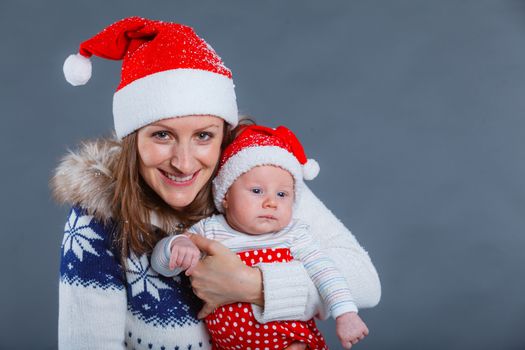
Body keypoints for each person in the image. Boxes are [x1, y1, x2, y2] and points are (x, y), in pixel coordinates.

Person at [52, 16, 381, 350]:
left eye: (203, 136)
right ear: (132, 140)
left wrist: (251, 285)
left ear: (224, 135)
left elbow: (365, 283)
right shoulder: (97, 223)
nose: (183, 163)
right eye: (162, 135)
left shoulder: (257, 180)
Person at [151, 124, 369, 349]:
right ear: (225, 196)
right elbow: (161, 265)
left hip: (289, 342)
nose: (271, 202)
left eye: (282, 194)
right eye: (256, 191)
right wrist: (177, 245)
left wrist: (346, 314)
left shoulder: (294, 235)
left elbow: (327, 273)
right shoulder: (210, 230)